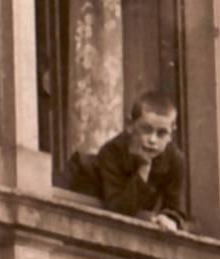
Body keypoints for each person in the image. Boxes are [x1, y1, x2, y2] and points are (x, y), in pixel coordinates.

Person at [70, 93, 187, 231]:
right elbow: (117, 209)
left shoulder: (174, 160)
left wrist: (169, 219)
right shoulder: (111, 152)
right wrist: (144, 169)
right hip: (87, 209)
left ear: (171, 135)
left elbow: (175, 207)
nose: (153, 140)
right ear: (130, 125)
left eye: (161, 133)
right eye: (146, 130)